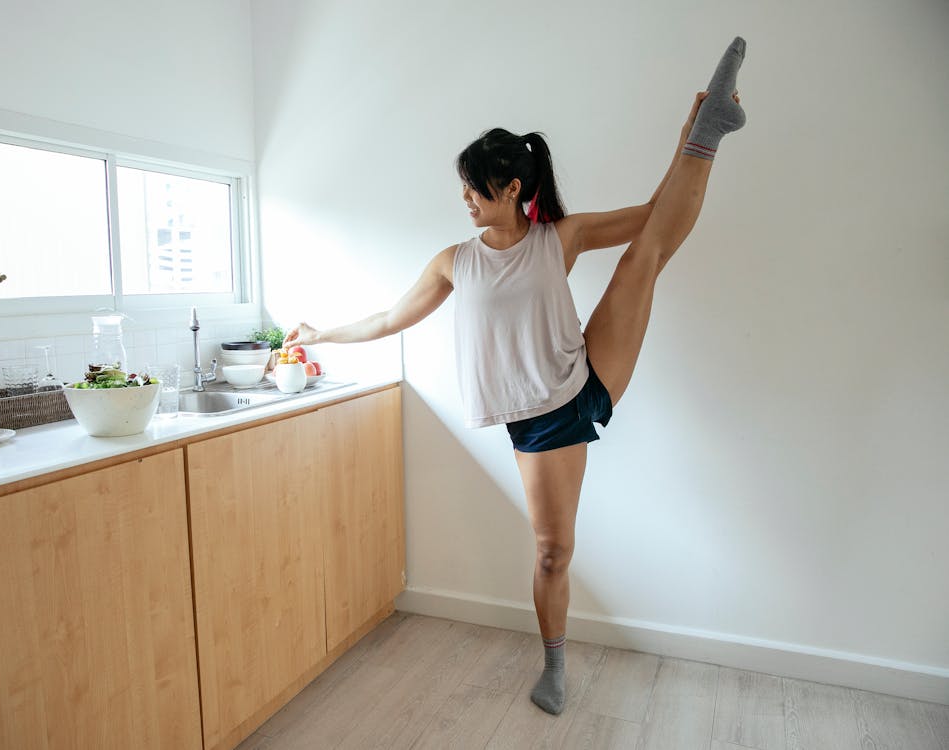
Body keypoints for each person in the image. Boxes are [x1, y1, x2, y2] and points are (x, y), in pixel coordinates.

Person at [283, 37, 747, 715]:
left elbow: (655, 215)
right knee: (553, 551)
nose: (465, 199)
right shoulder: (454, 261)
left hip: (577, 387)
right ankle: (554, 663)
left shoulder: (557, 237)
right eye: (463, 188)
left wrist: (684, 141)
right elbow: (388, 317)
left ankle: (709, 134)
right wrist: (322, 332)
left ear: (510, 188)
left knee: (646, 252)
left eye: (475, 188)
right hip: (533, 420)